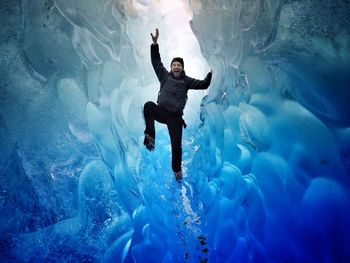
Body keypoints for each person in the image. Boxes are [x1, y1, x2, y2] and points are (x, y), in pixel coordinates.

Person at [143, 28, 212, 181]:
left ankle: (177, 170)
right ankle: (150, 137)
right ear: (171, 66)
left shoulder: (186, 81)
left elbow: (204, 84)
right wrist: (155, 44)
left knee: (176, 146)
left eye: (178, 65)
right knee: (148, 105)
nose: (176, 67)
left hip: (175, 118)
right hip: (161, 111)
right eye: (174, 64)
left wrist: (213, 72)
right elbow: (156, 62)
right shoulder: (164, 76)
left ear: (182, 67)